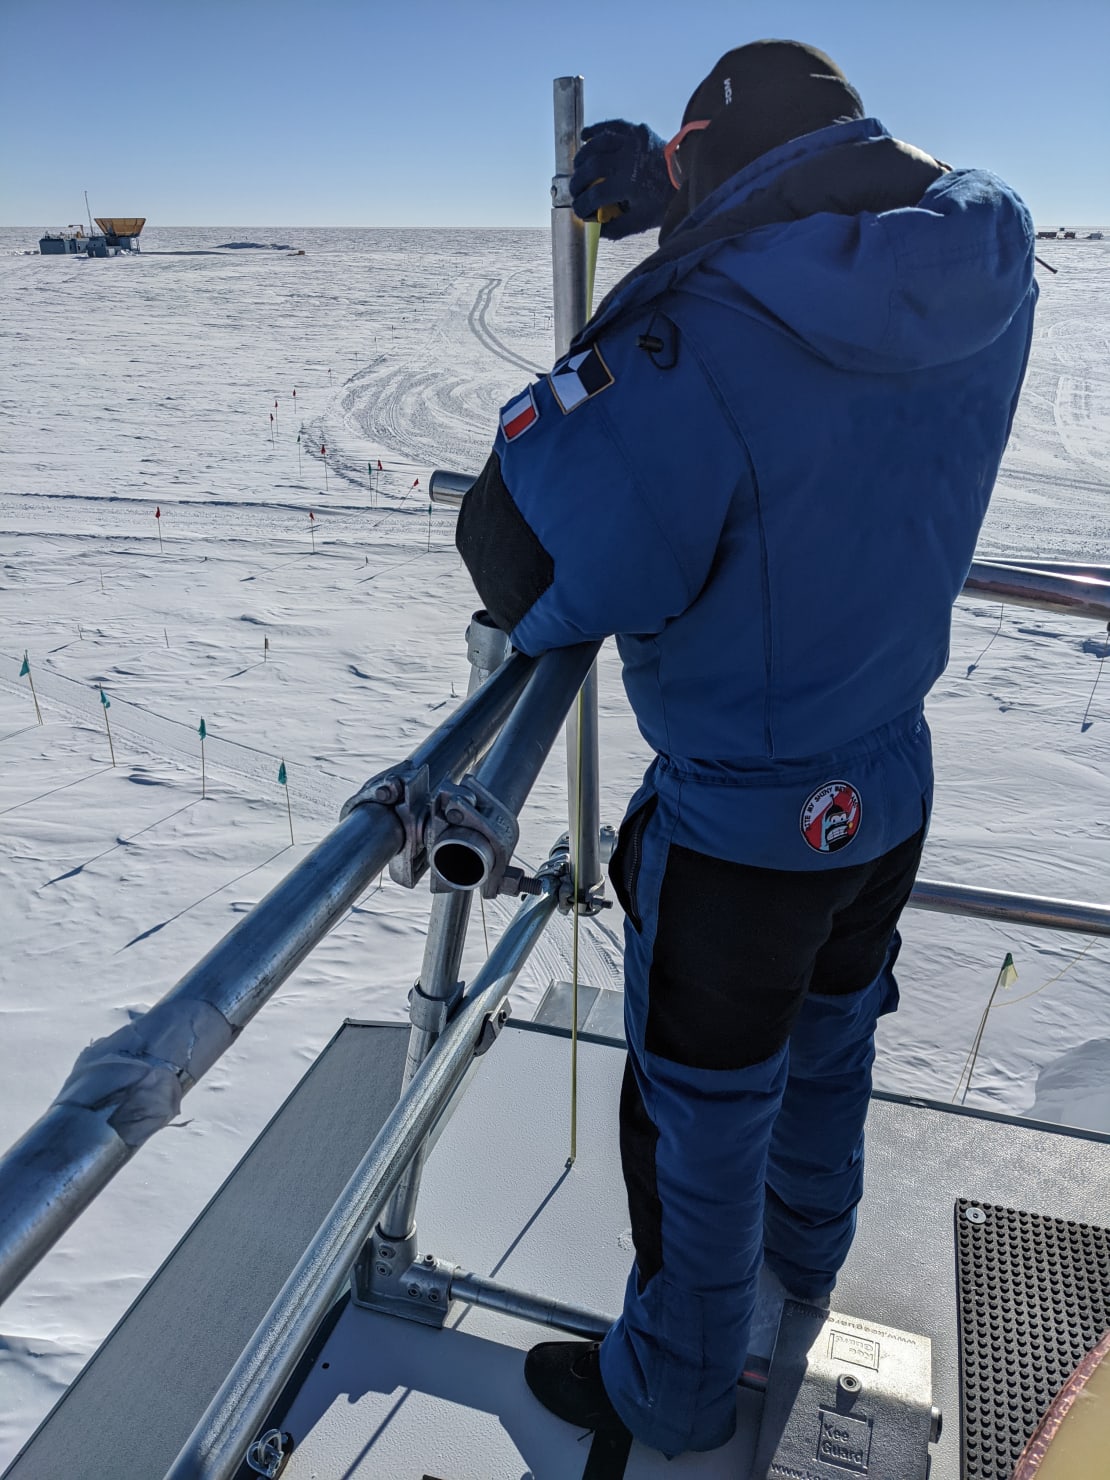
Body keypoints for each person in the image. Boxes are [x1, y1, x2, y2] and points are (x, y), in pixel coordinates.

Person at [455, 38, 1037, 1458]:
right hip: (886, 784)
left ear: (720, 163)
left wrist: (653, 267)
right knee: (833, 1043)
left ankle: (674, 1390)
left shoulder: (699, 346)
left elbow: (524, 558)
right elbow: (856, 204)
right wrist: (684, 183)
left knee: (693, 1133)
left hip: (741, 835)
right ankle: (812, 1258)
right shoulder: (985, 248)